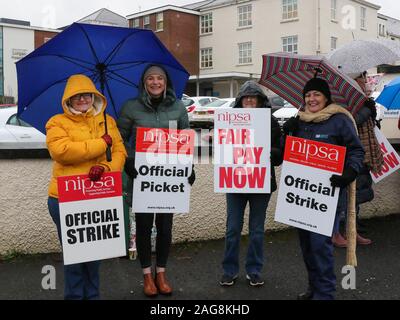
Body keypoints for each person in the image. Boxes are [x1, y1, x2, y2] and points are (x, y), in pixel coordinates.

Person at [46, 74, 127, 299]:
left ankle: (93, 296)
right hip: (64, 198)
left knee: (94, 255)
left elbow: (120, 152)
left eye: (87, 94)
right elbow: (62, 151)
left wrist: (106, 168)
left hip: (97, 195)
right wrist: (101, 143)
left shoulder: (108, 121)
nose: (82, 99)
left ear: (95, 96)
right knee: (74, 257)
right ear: (68, 100)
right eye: (76, 96)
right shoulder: (56, 122)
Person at [283, 77, 364, 300]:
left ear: (326, 97)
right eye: (308, 95)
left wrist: (350, 172)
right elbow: (286, 153)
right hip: (301, 195)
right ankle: (314, 287)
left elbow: (357, 151)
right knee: (307, 246)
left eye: (316, 94)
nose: (312, 99)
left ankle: (325, 293)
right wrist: (286, 133)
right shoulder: (299, 121)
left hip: (328, 195)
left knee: (320, 245)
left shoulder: (340, 120)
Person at [117, 65, 194, 297]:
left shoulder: (178, 106)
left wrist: (188, 168)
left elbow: (185, 138)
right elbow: (119, 139)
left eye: (159, 78)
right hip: (142, 178)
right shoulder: (131, 107)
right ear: (144, 82)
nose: (155, 82)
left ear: (166, 82)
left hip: (169, 180)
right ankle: (146, 275)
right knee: (142, 227)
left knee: (165, 227)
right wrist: (128, 161)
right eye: (150, 78)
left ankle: (161, 272)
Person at [219, 81, 283, 287]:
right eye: (245, 97)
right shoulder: (229, 121)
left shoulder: (271, 121)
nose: (249, 100)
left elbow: (279, 154)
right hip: (235, 182)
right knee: (232, 229)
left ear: (259, 101)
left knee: (256, 230)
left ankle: (254, 270)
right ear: (239, 101)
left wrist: (272, 153)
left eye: (253, 97)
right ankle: (229, 270)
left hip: (261, 183)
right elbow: (223, 149)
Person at [332, 72, 383, 247]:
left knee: (357, 197)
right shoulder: (345, 100)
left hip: (363, 155)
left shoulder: (363, 100)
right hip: (350, 155)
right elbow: (350, 121)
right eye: (362, 78)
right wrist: (367, 110)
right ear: (353, 81)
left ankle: (351, 232)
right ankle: (338, 232)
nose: (366, 82)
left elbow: (368, 125)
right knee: (345, 199)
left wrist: (371, 112)